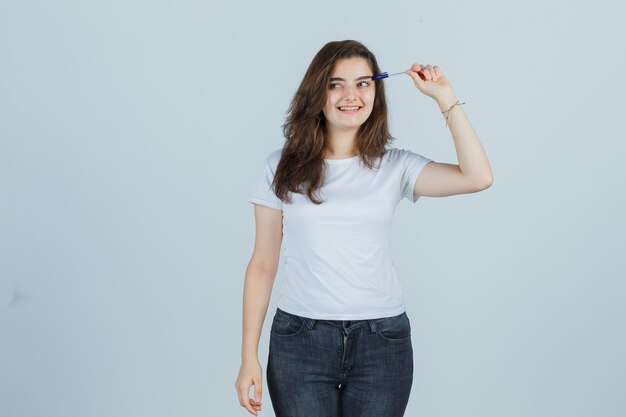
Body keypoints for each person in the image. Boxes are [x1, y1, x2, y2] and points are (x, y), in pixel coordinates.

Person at [235, 39, 493, 417]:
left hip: (382, 343)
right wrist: (248, 357)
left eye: (363, 83)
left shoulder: (395, 166)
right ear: (317, 92)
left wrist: (444, 97)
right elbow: (262, 264)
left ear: (377, 90)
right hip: (300, 342)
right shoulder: (280, 167)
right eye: (336, 83)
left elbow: (478, 177)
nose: (350, 95)